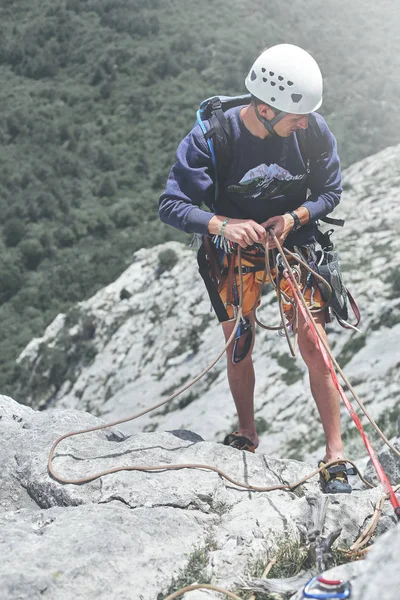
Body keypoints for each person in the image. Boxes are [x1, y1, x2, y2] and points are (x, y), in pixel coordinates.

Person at [159, 44, 352, 493]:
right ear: (264, 108)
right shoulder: (212, 137)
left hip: (294, 240)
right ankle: (247, 433)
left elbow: (330, 191)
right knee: (239, 342)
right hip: (232, 246)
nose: (303, 122)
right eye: (294, 116)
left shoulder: (312, 131)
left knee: (313, 340)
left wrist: (294, 218)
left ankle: (336, 454)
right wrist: (220, 223)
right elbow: (171, 204)